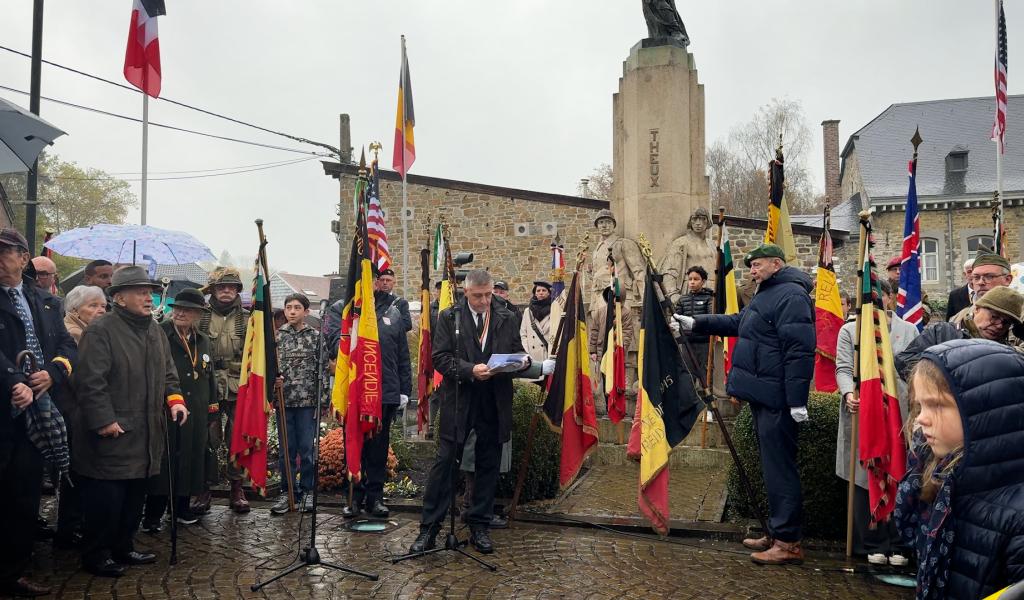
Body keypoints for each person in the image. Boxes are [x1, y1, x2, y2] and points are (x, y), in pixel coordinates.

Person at [673, 243, 814, 565]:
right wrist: (697, 324)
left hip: (778, 399)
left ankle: (789, 542)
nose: (752, 270)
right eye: (751, 266)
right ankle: (777, 531)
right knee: (771, 469)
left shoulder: (791, 295)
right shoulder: (767, 292)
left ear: (776, 264)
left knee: (780, 471)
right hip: (765, 396)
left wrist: (796, 400)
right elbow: (740, 322)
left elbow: (799, 350)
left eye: (758, 265)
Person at [408, 269, 552, 556]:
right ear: (466, 292)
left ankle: (479, 525)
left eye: (488, 295)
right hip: (461, 398)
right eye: (478, 296)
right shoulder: (450, 317)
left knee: (487, 466)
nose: (485, 301)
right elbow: (440, 358)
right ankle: (429, 528)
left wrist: (522, 361)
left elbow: (516, 350)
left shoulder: (506, 316)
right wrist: (469, 370)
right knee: (446, 463)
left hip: (493, 399)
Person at [73, 265, 187, 577]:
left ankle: (123, 546)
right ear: (119, 298)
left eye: (149, 291)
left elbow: (168, 374)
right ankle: (96, 554)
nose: (148, 297)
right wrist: (104, 421)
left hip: (147, 433)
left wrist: (175, 401)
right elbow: (89, 382)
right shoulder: (101, 331)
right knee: (107, 500)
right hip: (112, 434)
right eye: (140, 291)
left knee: (134, 497)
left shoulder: (154, 330)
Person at [894, 339, 1024, 598]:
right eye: (920, 405)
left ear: (986, 412)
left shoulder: (1017, 519)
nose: (920, 417)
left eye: (937, 405)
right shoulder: (942, 481)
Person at [0, 229, 76, 597]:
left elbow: (64, 343)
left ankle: (13, 572)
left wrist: (54, 372)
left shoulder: (45, 300)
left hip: (36, 415)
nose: (0, 259)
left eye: (5, 253)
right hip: (5, 408)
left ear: (23, 257)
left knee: (25, 497)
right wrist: (13, 379)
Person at [834, 280, 918, 565]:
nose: (873, 301)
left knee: (899, 473)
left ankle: (898, 543)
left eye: (878, 296)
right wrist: (848, 392)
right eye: (866, 297)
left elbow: (918, 369)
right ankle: (871, 542)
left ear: (889, 298)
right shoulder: (849, 331)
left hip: (900, 415)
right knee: (864, 476)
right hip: (863, 416)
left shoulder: (909, 330)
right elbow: (843, 368)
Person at [142, 289, 215, 532]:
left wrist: (211, 407)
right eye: (178, 308)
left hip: (195, 409)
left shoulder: (203, 340)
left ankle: (181, 508)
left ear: (198, 314)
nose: (181, 312)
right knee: (165, 462)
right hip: (167, 407)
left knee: (190, 459)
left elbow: (209, 375)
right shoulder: (159, 332)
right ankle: (153, 514)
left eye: (187, 309)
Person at [342, 286, 411, 519]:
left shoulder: (393, 313)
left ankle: (375, 498)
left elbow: (403, 355)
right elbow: (337, 348)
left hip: (385, 392)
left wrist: (404, 390)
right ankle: (354, 498)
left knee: (378, 450)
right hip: (356, 393)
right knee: (355, 445)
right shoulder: (347, 311)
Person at [194, 267, 250, 515]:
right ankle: (204, 488)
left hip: (239, 386)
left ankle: (237, 488)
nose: (226, 291)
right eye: (221, 287)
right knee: (207, 439)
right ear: (213, 290)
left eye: (231, 287)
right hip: (208, 384)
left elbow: (260, 355)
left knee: (237, 439)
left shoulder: (250, 319)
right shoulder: (199, 317)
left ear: (238, 290)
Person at [895, 286, 1023, 380]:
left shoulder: (1007, 353)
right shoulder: (942, 332)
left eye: (1006, 322)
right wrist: (946, 375)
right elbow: (904, 361)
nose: (999, 325)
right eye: (994, 317)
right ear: (977, 309)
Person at [270, 293, 323, 515]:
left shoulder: (316, 337)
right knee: (286, 451)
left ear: (306, 312)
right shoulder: (276, 338)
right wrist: (274, 384)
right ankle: (288, 491)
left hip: (307, 402)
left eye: (297, 308)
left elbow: (322, 371)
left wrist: (323, 401)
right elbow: (269, 370)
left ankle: (308, 490)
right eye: (288, 307)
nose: (292, 311)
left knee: (307, 450)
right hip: (284, 401)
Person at [949, 252, 1014, 326]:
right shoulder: (959, 319)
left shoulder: (1019, 313)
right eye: (976, 277)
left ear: (1007, 280)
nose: (980, 282)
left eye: (989, 276)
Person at [673, 266, 714, 376]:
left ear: (703, 281)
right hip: (687, 342)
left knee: (705, 372)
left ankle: (706, 392)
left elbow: (711, 317)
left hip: (704, 342)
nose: (692, 282)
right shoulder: (682, 299)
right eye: (690, 279)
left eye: (696, 279)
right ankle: (692, 393)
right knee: (688, 372)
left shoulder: (709, 298)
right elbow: (676, 317)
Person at [520, 281, 554, 384]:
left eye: (544, 290)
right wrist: (526, 352)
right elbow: (523, 333)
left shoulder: (554, 310)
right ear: (535, 293)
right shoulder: (528, 311)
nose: (541, 293)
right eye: (538, 290)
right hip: (532, 357)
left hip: (547, 355)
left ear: (549, 293)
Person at [376, 267, 412, 332]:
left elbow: (407, 325)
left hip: (391, 340)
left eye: (388, 280)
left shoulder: (401, 303)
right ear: (378, 282)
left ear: (394, 282)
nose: (384, 282)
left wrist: (387, 325)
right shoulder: (373, 300)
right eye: (382, 280)